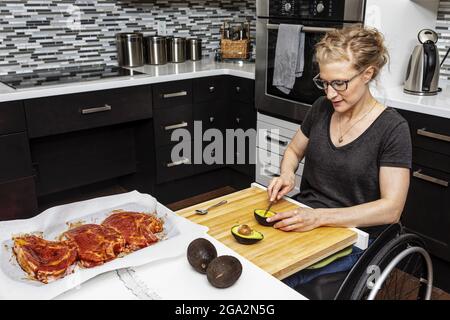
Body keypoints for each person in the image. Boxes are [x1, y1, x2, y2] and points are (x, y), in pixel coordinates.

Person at [266, 25, 412, 287]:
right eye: (324, 82)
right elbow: (294, 150)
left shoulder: (393, 129)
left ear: (368, 73)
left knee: (280, 281)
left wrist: (320, 218)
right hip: (307, 218)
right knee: (255, 262)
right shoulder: (321, 108)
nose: (330, 93)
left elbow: (392, 209)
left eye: (339, 83)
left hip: (354, 236)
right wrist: (287, 173)